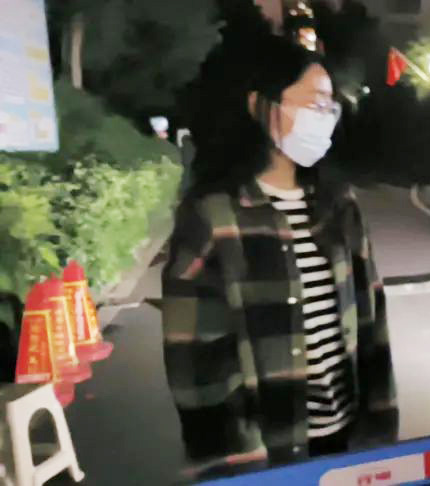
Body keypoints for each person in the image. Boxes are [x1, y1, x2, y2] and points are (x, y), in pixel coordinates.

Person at [162, 35, 396, 468]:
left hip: (349, 443)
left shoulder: (338, 204)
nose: (325, 116)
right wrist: (244, 467)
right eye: (314, 103)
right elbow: (198, 368)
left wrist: (380, 431)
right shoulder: (212, 218)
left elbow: (372, 325)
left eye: (331, 106)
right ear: (259, 105)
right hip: (270, 457)